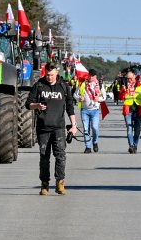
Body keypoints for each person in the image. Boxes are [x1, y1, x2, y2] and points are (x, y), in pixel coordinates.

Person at [27, 60, 77, 194]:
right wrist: (37, 106)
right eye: (48, 75)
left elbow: (70, 107)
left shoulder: (64, 86)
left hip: (59, 128)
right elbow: (28, 104)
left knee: (60, 155)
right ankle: (44, 184)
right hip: (43, 128)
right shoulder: (39, 85)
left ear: (57, 73)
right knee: (44, 156)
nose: (50, 77)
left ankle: (60, 182)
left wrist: (73, 125)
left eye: (52, 75)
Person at [118, 68, 141, 153]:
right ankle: (131, 145)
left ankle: (135, 145)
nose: (129, 80)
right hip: (128, 110)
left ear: (134, 76)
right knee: (129, 128)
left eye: (131, 78)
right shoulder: (124, 85)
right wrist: (123, 91)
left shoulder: (140, 84)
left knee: (137, 130)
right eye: (128, 78)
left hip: (138, 109)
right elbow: (120, 98)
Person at [76, 72, 103, 152]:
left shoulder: (99, 85)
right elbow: (75, 94)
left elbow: (104, 96)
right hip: (84, 110)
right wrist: (79, 98)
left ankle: (95, 142)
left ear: (95, 76)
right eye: (89, 75)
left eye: (92, 76)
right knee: (86, 129)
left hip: (95, 110)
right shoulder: (82, 84)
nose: (90, 77)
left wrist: (99, 99)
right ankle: (88, 147)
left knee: (95, 127)